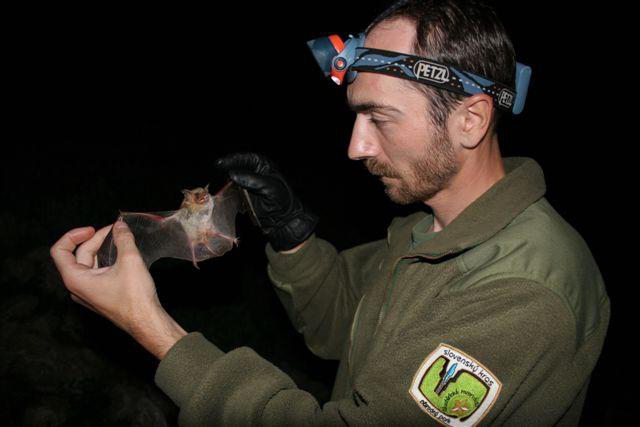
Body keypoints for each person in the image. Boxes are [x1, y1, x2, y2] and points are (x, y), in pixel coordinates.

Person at [50, 0, 609, 425]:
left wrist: (149, 327)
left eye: (379, 119)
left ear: (471, 119)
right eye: (354, 117)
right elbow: (343, 328)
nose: (355, 148)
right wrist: (291, 236)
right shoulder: (429, 228)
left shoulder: (522, 291)